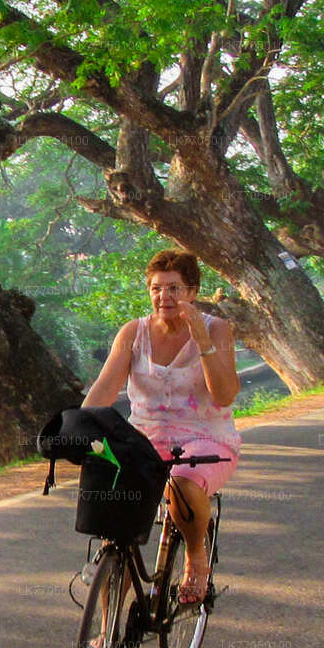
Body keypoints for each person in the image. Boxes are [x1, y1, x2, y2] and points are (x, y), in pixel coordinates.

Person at [83, 249, 241, 605]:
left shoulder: (218, 330)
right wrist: (79, 426)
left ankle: (196, 555)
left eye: (173, 288)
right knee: (116, 533)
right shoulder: (133, 333)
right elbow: (104, 389)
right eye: (156, 288)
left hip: (205, 438)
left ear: (193, 291)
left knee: (182, 487)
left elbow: (226, 395)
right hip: (143, 439)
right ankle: (102, 636)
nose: (163, 297)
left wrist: (202, 341)